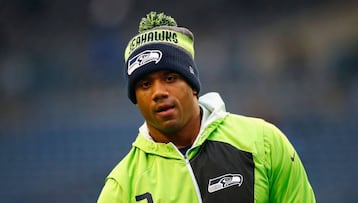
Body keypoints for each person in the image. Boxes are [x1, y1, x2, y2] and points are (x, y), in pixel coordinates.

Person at [97, 11, 316, 203]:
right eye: (145, 84)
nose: (158, 92)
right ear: (135, 98)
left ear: (192, 85)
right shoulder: (122, 187)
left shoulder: (264, 143)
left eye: (170, 78)